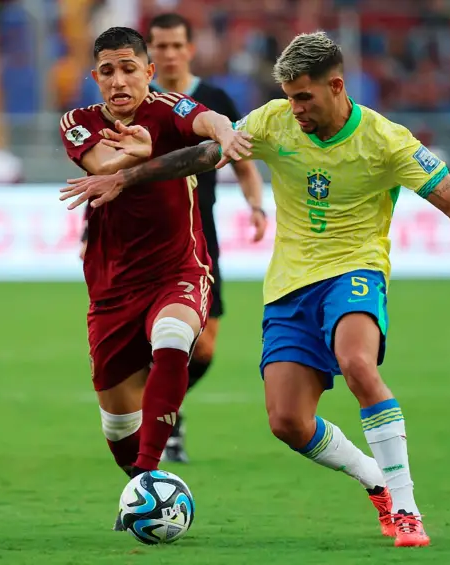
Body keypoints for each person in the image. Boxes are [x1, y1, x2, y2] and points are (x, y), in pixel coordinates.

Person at [60, 31, 450, 547]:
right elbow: (205, 155)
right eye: (288, 96)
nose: (295, 108)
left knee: (358, 364)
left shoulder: (387, 140)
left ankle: (406, 508)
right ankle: (374, 480)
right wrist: (130, 176)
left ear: (336, 86)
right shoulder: (275, 119)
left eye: (304, 97)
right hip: (289, 285)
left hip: (355, 271)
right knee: (288, 421)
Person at [57, 27, 251, 529]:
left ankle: (148, 476)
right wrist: (136, 155)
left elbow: (207, 121)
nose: (119, 80)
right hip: (112, 288)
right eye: (107, 71)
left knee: (175, 338)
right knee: (119, 424)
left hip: (178, 268)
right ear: (95, 77)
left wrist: (226, 133)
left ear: (148, 71)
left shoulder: (168, 107)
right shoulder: (77, 122)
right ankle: (140, 480)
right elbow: (101, 166)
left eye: (128, 68)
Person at [146, 12, 267, 463]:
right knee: (153, 335)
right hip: (146, 235)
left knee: (206, 343)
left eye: (177, 45)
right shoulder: (139, 100)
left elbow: (243, 163)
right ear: (150, 54)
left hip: (201, 235)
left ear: (190, 49)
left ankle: (163, 408)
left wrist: (256, 205)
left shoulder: (214, 100)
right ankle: (162, 420)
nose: (170, 53)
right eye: (161, 46)